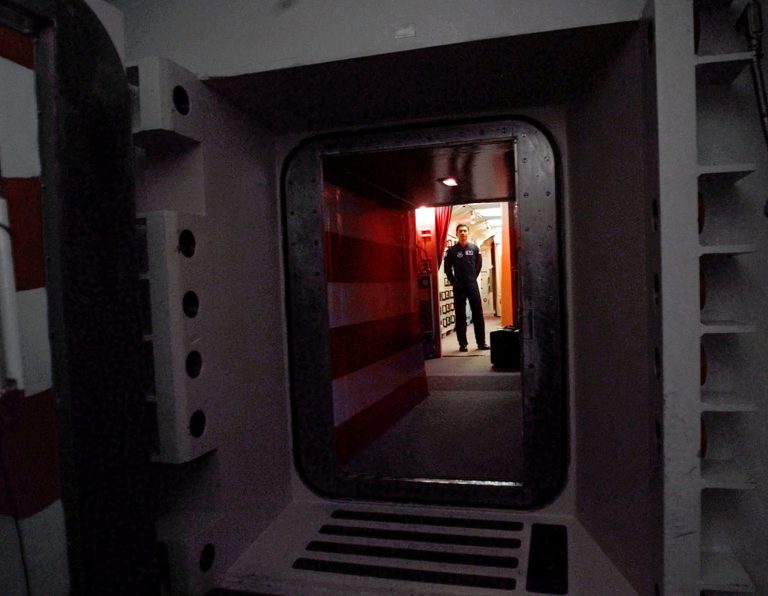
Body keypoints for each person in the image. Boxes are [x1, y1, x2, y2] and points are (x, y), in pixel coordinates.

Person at [443, 223, 489, 352]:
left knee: (478, 314)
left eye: (465, 231)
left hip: (472, 285)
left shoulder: (474, 248)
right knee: (460, 315)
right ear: (457, 234)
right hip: (459, 286)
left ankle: (481, 343)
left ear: (468, 233)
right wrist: (454, 281)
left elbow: (478, 265)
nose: (463, 233)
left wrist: (472, 278)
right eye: (460, 231)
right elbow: (447, 269)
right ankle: (462, 344)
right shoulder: (452, 251)